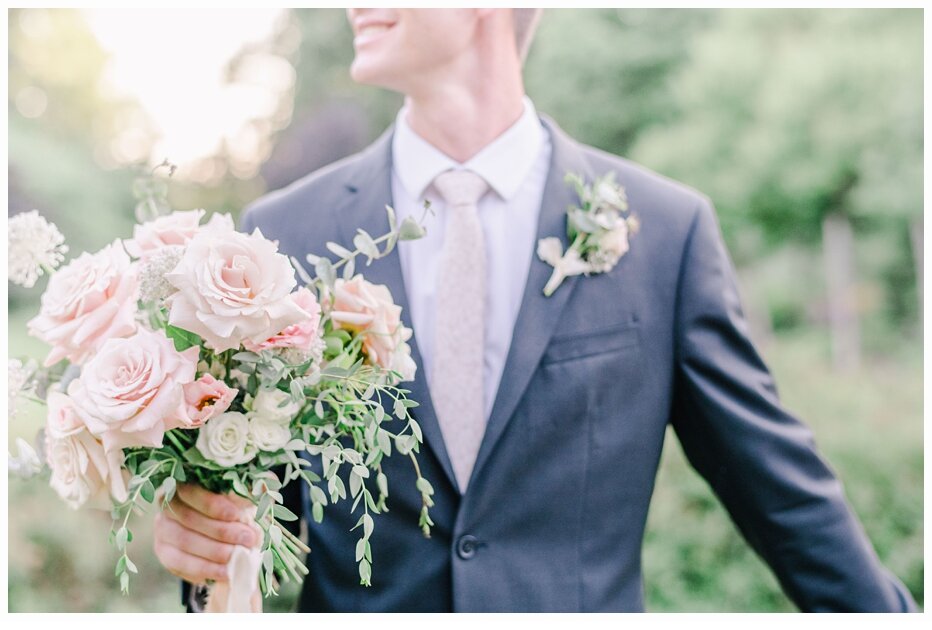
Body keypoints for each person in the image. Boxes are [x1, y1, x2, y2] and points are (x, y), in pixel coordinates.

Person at [154, 8, 917, 612]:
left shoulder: (666, 234)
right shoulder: (279, 239)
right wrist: (199, 540)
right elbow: (247, 506)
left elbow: (785, 503)